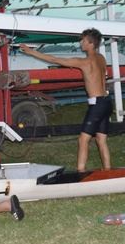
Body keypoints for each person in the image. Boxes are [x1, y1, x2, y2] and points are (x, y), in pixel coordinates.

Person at [19, 28, 111, 172]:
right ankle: (109, 171)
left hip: (97, 104)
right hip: (106, 101)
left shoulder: (85, 62)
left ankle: (80, 172)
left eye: (83, 41)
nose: (81, 43)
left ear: (91, 43)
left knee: (83, 139)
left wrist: (31, 52)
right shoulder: (101, 58)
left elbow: (55, 60)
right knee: (101, 139)